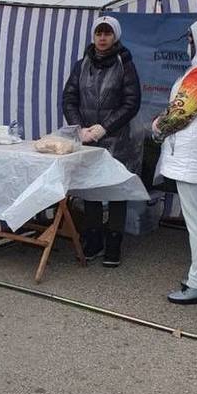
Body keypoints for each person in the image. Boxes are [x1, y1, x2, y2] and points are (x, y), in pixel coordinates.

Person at [62, 16, 142, 267]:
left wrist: (104, 128)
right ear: (93, 36)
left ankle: (114, 242)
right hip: (87, 137)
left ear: (115, 36)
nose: (103, 37)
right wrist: (81, 128)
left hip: (117, 139)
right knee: (91, 188)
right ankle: (94, 238)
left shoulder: (125, 64)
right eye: (99, 33)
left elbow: (131, 103)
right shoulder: (81, 64)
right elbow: (69, 98)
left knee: (116, 188)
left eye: (108, 33)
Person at [152, 16, 197, 304]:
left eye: (191, 40)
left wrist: (156, 128)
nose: (188, 45)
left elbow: (179, 114)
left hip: (193, 161)